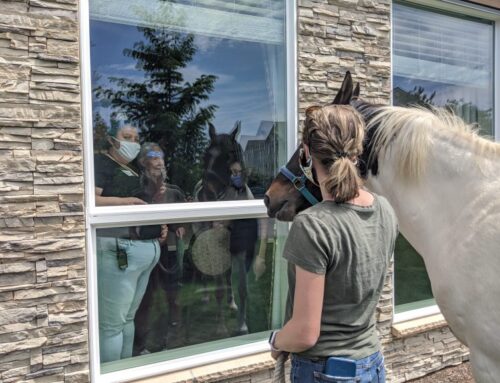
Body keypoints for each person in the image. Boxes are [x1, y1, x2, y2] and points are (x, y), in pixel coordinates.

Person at [268, 105, 398, 383]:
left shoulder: (312, 225)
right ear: (357, 149)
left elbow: (304, 333)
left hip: (324, 372)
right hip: (372, 365)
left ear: (305, 153)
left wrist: (277, 340)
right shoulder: (385, 209)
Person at [94, 124, 167, 362]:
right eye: (127, 137)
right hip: (120, 248)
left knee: (126, 319)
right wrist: (125, 202)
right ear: (112, 139)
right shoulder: (101, 164)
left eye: (136, 138)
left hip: (144, 249)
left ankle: (125, 372)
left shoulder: (131, 169)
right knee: (112, 325)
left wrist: (159, 224)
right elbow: (90, 199)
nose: (132, 143)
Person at [132, 142, 187, 353]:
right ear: (143, 163)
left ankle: (172, 341)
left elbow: (184, 220)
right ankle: (141, 345)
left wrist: (179, 227)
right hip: (144, 252)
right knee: (145, 300)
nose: (159, 161)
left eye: (161, 157)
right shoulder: (137, 193)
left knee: (173, 298)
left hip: (169, 255)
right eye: (153, 157)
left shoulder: (174, 193)